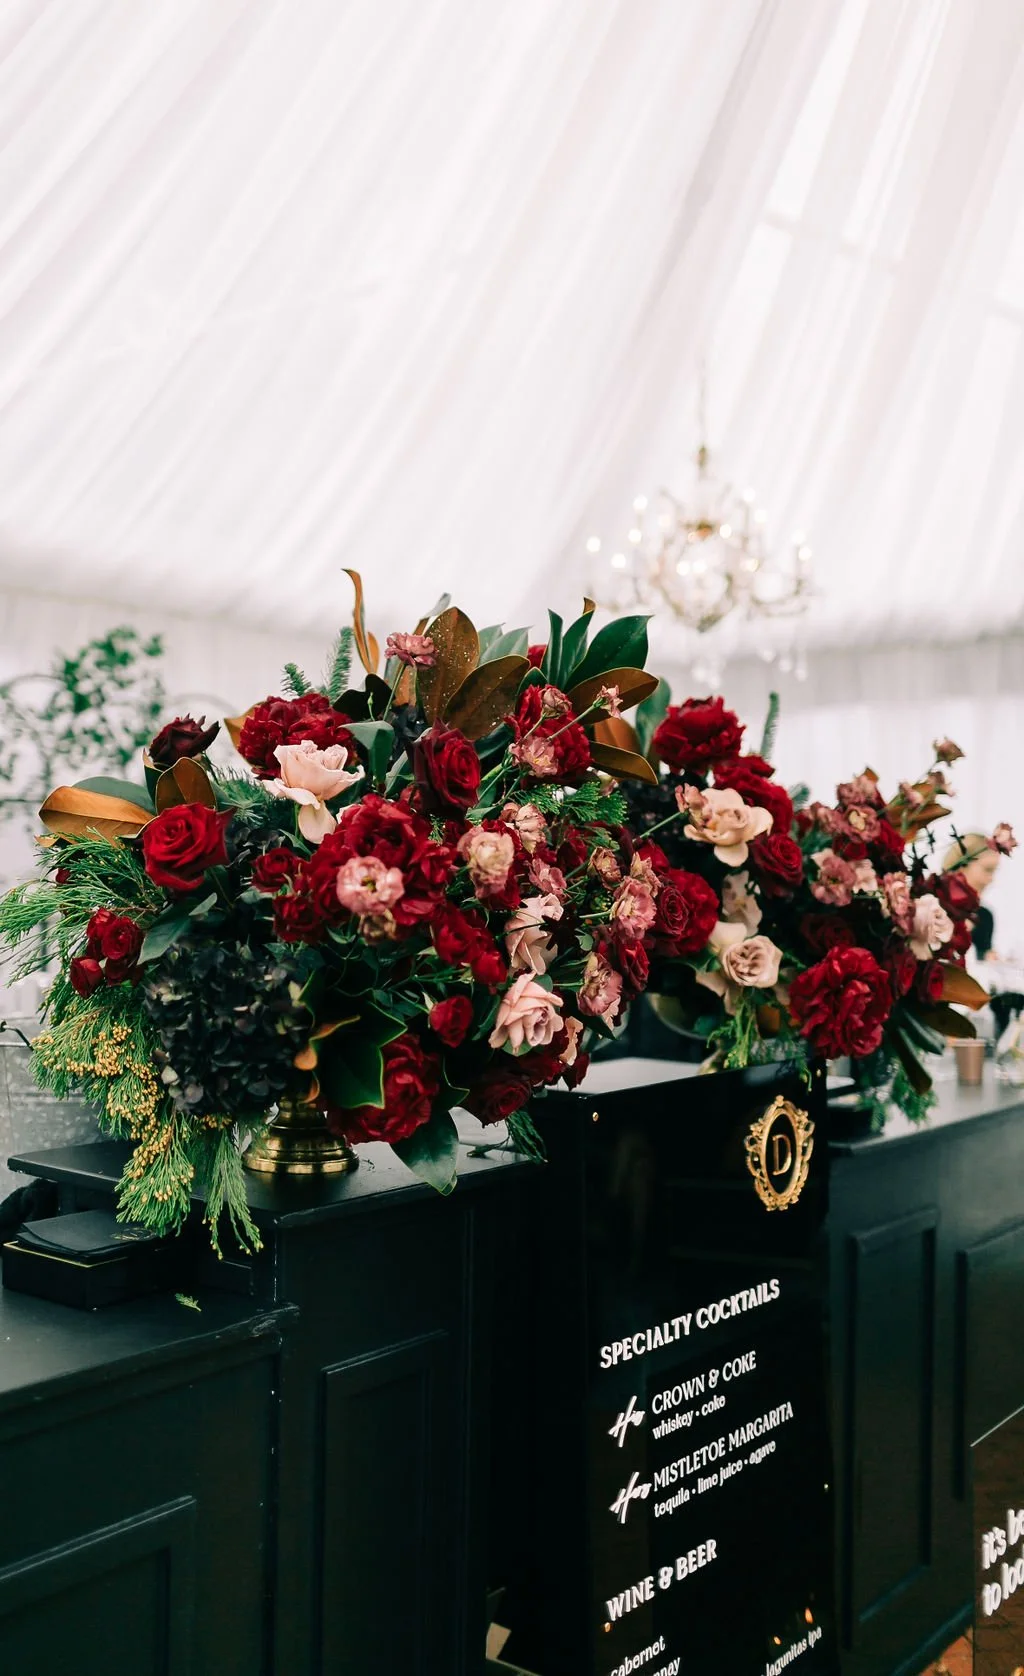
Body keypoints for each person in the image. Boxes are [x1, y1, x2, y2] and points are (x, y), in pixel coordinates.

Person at [942, 832, 1001, 960]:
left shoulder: (984, 917)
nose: (991, 879)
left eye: (994, 871)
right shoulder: (927, 907)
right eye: (988, 869)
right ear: (961, 866)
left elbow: (983, 962)